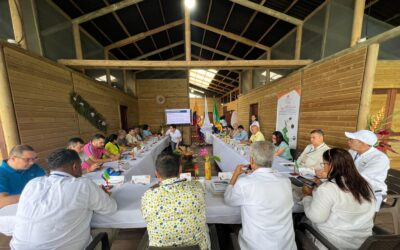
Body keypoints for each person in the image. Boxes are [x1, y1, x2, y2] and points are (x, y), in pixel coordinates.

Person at [10, 148, 117, 250]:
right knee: (112, 226)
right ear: (75, 166)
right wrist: (104, 194)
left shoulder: (32, 184)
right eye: (80, 165)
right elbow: (110, 208)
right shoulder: (83, 184)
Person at [224, 141, 296, 250]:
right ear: (272, 159)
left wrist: (234, 176)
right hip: (286, 246)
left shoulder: (245, 183)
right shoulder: (285, 181)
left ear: (252, 160)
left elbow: (228, 199)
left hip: (255, 246)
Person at [302, 148, 375, 249]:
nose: (323, 168)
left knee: (300, 224)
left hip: (332, 243)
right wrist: (322, 184)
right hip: (362, 242)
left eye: (324, 164)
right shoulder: (366, 185)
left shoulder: (328, 189)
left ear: (331, 165)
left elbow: (316, 217)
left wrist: (307, 196)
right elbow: (344, 193)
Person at [141, 153, 208, 249]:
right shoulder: (197, 187)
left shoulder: (148, 195)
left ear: (157, 173)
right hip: (196, 247)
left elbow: (146, 217)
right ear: (180, 170)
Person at [345, 130, 390, 210]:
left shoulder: (379, 158)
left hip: (372, 192)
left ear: (363, 143)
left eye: (351, 140)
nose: (348, 141)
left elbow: (362, 178)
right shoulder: (352, 152)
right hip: (353, 187)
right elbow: (343, 167)